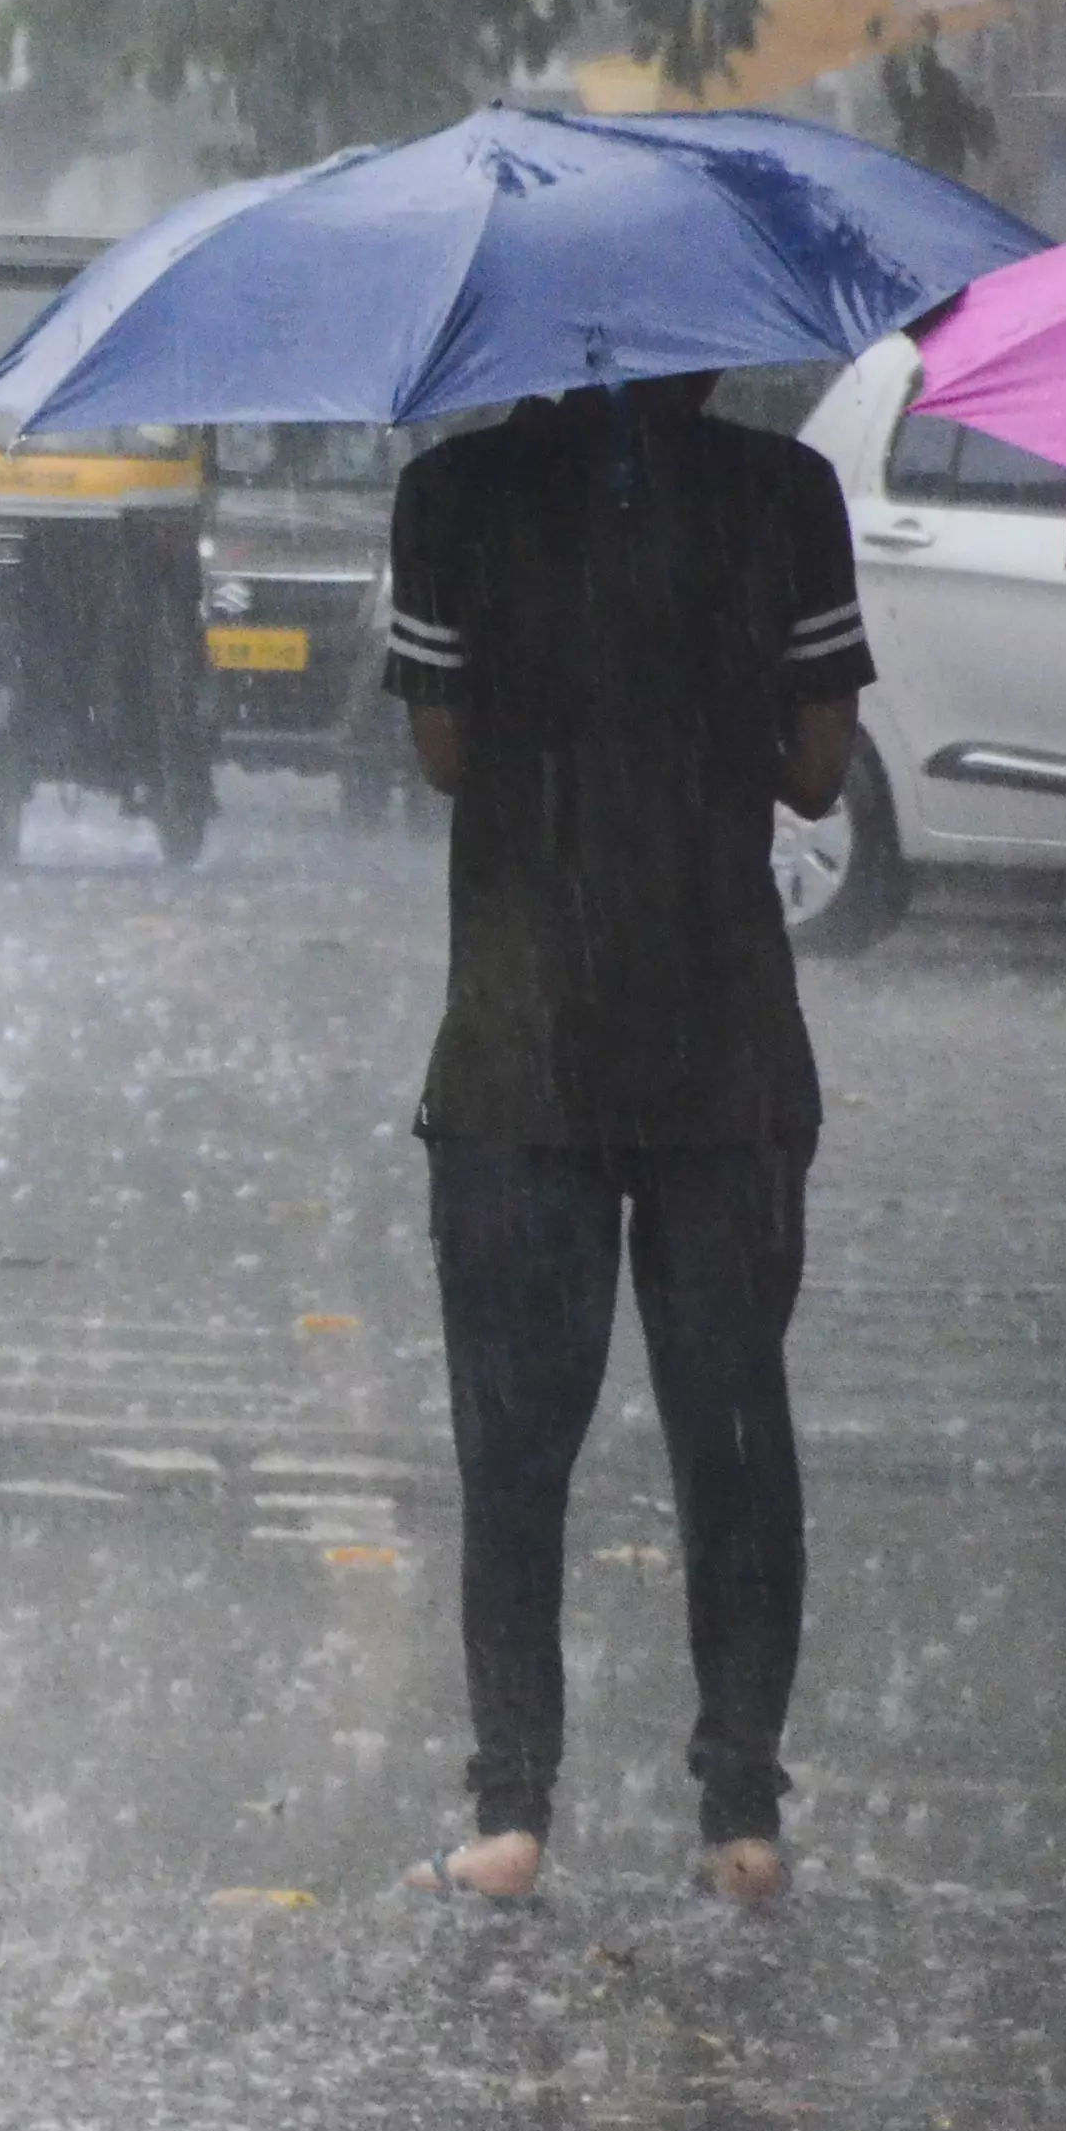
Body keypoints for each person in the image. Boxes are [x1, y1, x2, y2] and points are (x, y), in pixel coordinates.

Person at [380, 371, 869, 1910]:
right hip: (722, 1043)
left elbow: (447, 755)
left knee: (515, 1448)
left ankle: (512, 1810)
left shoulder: (452, 497)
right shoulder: (785, 496)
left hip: (528, 1046)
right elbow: (815, 771)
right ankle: (740, 1816)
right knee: (733, 1436)